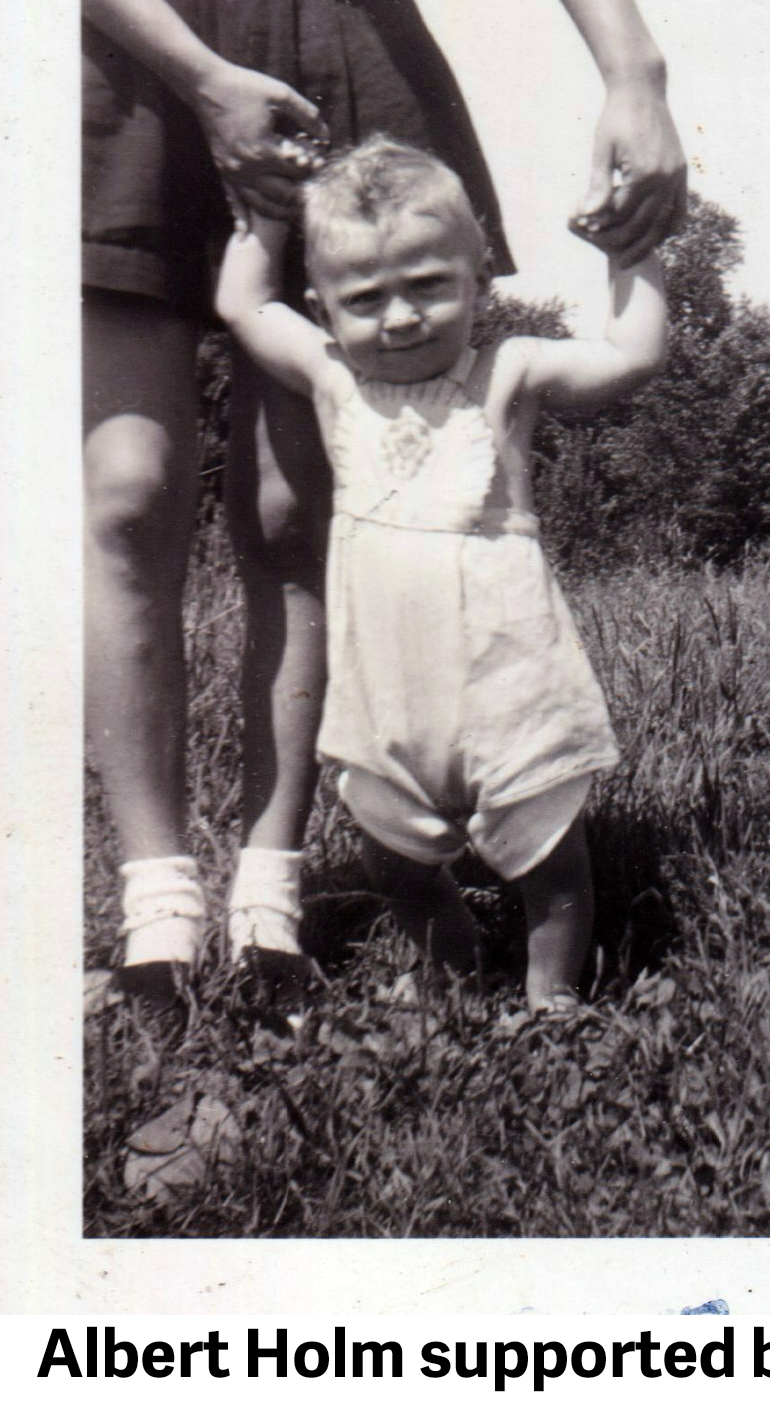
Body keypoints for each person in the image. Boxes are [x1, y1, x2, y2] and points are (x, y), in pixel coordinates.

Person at [82, 0, 686, 1024]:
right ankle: (154, 910)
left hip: (340, 20)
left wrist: (629, 66)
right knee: (128, 488)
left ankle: (279, 881)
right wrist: (194, 79)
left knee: (307, 501)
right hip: (118, 35)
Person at [216, 138, 667, 1009]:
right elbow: (243, 303)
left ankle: (550, 1002)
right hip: (388, 697)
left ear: (479, 278)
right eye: (364, 298)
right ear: (324, 306)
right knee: (396, 862)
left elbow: (632, 355)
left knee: (554, 863)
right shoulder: (331, 376)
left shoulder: (508, 371)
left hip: (509, 685)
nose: (398, 317)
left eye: (428, 284)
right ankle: (453, 975)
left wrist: (629, 253)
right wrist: (263, 210)